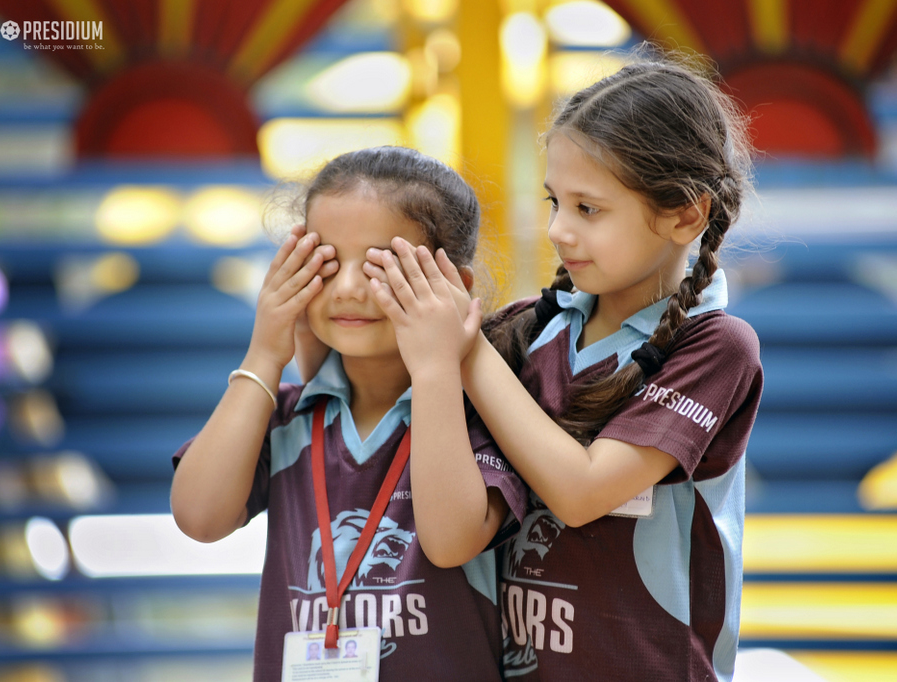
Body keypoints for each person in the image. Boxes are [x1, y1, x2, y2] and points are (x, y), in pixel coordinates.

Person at [364, 51, 763, 681]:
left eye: (588, 209)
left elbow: (581, 493)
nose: (557, 230)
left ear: (686, 215)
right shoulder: (530, 331)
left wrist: (463, 350)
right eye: (555, 201)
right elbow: (450, 532)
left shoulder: (715, 346)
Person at [170, 146, 526, 681]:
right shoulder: (289, 419)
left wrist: (436, 366)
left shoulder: (491, 420)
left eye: (382, 264)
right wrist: (266, 354)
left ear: (455, 286)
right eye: (327, 262)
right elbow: (199, 518)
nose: (349, 288)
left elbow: (451, 540)